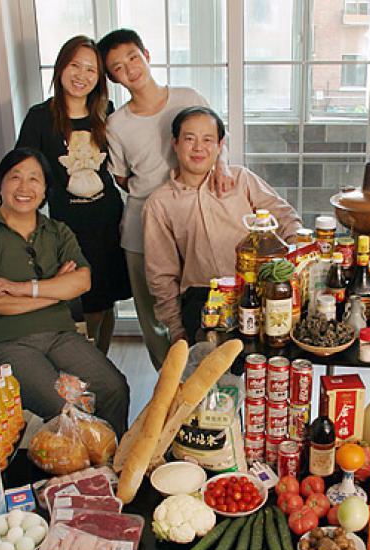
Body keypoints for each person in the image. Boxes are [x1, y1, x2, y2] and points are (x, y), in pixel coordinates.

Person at [0, 147, 130, 436]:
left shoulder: (58, 231)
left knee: (114, 387)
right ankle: (78, 475)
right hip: (7, 342)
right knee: (65, 408)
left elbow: (83, 282)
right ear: (0, 185)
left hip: (60, 335)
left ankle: (115, 464)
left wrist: (19, 289)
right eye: (15, 177)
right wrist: (55, 291)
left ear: (45, 191)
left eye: (34, 179)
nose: (24, 187)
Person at [96, 29, 234, 368]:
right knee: (155, 317)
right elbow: (120, 176)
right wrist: (155, 196)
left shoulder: (186, 96)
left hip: (194, 222)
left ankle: (212, 378)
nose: (129, 69)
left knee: (202, 306)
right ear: (111, 76)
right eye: (117, 67)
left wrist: (222, 166)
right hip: (141, 229)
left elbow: (216, 139)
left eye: (132, 57)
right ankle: (169, 383)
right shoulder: (116, 123)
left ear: (147, 53)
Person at [144, 107, 302, 344]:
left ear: (220, 146)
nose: (198, 148)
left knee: (268, 364)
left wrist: (295, 257)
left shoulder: (241, 180)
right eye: (189, 139)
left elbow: (286, 218)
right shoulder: (160, 203)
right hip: (203, 299)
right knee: (211, 373)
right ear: (175, 144)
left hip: (259, 291)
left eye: (207, 140)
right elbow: (161, 275)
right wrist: (176, 329)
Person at [15, 35, 130, 355]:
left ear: (100, 77)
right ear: (61, 67)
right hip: (67, 227)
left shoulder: (106, 111)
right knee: (82, 302)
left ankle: (101, 363)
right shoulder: (40, 116)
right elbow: (24, 170)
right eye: (74, 66)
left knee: (106, 300)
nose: (81, 75)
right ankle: (87, 366)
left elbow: (122, 162)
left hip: (108, 219)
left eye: (91, 70)